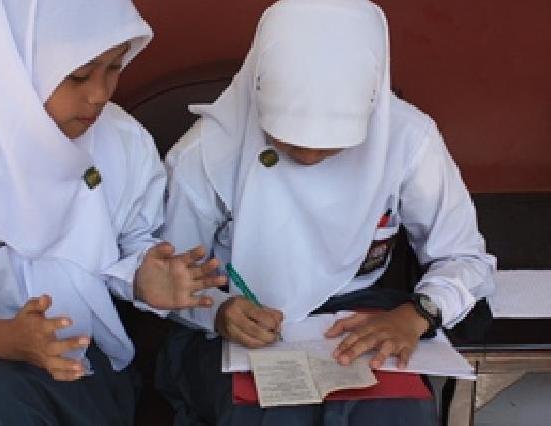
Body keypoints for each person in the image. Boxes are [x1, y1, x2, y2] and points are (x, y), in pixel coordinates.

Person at [156, 0, 496, 424]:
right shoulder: (205, 153)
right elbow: (168, 279)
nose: (309, 157)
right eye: (287, 139)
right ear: (259, 91)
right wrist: (219, 312)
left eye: (333, 144)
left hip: (363, 311)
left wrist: (418, 315)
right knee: (272, 417)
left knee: (396, 414)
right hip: (236, 319)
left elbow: (465, 259)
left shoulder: (408, 139)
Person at [0, 0, 224, 424]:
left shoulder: (121, 139)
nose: (99, 94)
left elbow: (134, 242)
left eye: (115, 67)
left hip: (77, 362)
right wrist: (5, 339)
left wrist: (143, 277)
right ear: (8, 59)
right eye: (78, 74)